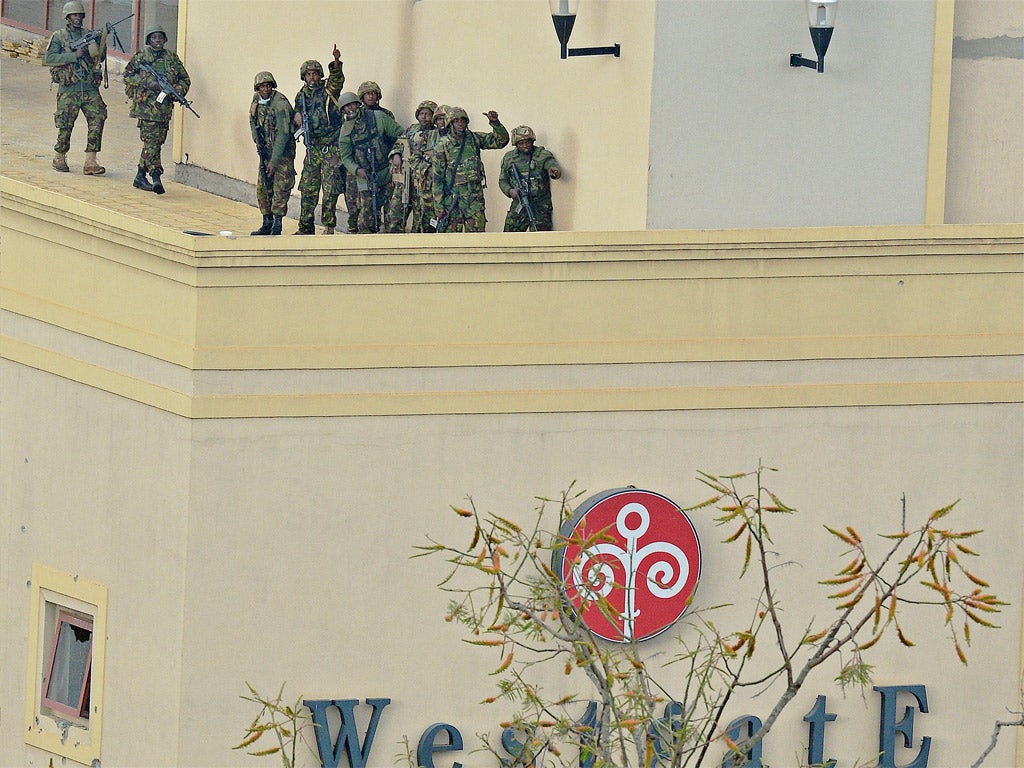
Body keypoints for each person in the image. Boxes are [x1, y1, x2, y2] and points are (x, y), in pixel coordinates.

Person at [123, 24, 190, 194]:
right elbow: (128, 75)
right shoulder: (141, 57)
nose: (157, 41)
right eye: (154, 37)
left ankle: (139, 175)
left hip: (163, 110)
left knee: (155, 143)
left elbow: (185, 79)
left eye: (160, 37)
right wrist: (149, 83)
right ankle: (155, 177)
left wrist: (177, 91)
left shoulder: (171, 58)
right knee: (152, 143)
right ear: (148, 40)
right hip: (146, 109)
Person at [44, 0, 108, 176]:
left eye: (80, 15)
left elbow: (99, 58)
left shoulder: (88, 34)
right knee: (65, 123)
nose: (77, 18)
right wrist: (74, 55)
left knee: (98, 116)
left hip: (88, 86)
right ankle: (59, 155)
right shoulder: (59, 36)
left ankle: (91, 160)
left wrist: (100, 42)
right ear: (67, 17)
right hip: (69, 87)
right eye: (74, 15)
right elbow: (48, 59)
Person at [431, 107, 509, 233]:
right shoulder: (442, 145)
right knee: (451, 241)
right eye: (456, 121)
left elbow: (501, 141)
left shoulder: (474, 139)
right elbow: (437, 179)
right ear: (451, 123)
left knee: (477, 239)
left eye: (463, 120)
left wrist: (495, 123)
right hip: (452, 201)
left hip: (474, 200)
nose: (460, 123)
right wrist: (439, 207)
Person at [293, 50, 345, 234]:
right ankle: (305, 227)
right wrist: (296, 116)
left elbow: (337, 80)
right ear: (304, 76)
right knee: (308, 187)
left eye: (315, 73)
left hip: (330, 147)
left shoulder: (328, 90)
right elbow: (297, 115)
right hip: (312, 148)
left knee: (330, 189)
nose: (312, 77)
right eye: (308, 74)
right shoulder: (301, 96)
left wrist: (336, 62)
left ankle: (329, 225)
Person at [336, 91, 403, 234]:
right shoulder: (345, 131)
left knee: (393, 218)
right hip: (364, 177)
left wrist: (396, 153)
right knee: (365, 221)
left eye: (352, 105)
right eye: (346, 108)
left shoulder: (378, 117)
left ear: (358, 104)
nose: (351, 109)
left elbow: (401, 135)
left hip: (387, 172)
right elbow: (346, 157)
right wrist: (356, 170)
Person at [249, 72, 296, 236]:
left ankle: (277, 224)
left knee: (281, 188)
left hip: (282, 155)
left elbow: (283, 134)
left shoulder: (280, 104)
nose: (266, 89)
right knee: (263, 188)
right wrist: (256, 139)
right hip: (266, 152)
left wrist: (274, 161)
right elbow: (252, 120)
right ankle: (266, 221)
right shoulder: (256, 100)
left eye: (268, 85)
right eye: (262, 86)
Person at [384, 99, 436, 233]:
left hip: (423, 185)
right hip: (405, 181)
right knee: (395, 217)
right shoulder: (411, 130)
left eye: (428, 114)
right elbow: (399, 144)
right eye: (422, 114)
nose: (424, 117)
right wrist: (396, 154)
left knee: (420, 223)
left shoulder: (436, 135)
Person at [499, 126, 562, 232]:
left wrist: (554, 171)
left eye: (527, 142)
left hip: (540, 204)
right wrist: (510, 191)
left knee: (540, 237)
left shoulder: (541, 155)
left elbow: (551, 165)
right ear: (516, 144)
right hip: (519, 202)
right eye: (521, 143)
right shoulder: (509, 158)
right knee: (510, 237)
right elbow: (503, 180)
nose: (525, 146)